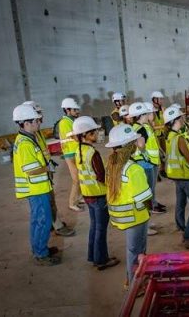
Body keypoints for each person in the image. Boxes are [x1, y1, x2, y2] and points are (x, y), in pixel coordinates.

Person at [104, 124, 153, 286]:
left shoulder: (112, 165)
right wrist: (149, 209)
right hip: (135, 216)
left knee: (132, 249)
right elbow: (145, 197)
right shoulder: (134, 169)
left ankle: (130, 278)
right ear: (130, 145)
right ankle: (134, 284)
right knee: (138, 251)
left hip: (120, 216)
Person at [68, 116, 120, 271]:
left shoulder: (79, 150)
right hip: (98, 196)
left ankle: (93, 255)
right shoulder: (93, 153)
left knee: (94, 227)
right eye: (95, 132)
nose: (98, 134)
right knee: (101, 229)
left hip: (88, 195)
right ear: (87, 134)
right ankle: (101, 260)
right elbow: (101, 176)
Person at [11, 104, 58, 266]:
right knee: (43, 220)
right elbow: (31, 170)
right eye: (36, 121)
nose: (39, 123)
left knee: (37, 220)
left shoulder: (28, 138)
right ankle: (40, 253)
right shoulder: (25, 144)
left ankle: (39, 248)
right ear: (26, 123)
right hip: (36, 189)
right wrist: (48, 167)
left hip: (38, 188)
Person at [21, 101, 76, 237]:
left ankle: (53, 224)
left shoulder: (35, 133)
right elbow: (30, 168)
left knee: (50, 204)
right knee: (43, 211)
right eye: (38, 116)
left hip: (44, 176)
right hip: (37, 182)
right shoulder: (27, 140)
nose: (40, 119)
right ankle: (55, 226)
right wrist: (46, 168)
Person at [163, 105, 189, 249]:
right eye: (180, 117)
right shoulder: (179, 138)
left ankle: (182, 228)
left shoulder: (169, 136)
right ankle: (188, 237)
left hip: (176, 176)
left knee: (181, 203)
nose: (182, 118)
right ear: (176, 120)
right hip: (186, 176)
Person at [128, 102, 166, 215]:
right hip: (147, 163)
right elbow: (141, 145)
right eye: (147, 114)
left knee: (150, 187)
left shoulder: (139, 127)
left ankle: (152, 204)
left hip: (148, 162)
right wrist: (146, 155)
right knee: (148, 188)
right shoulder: (141, 128)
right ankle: (149, 210)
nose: (150, 115)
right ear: (142, 115)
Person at [57, 97, 85, 213]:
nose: (77, 112)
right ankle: (72, 203)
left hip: (75, 152)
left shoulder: (71, 120)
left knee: (80, 177)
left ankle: (79, 198)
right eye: (75, 110)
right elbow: (73, 137)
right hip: (70, 154)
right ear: (67, 110)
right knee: (76, 179)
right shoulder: (64, 122)